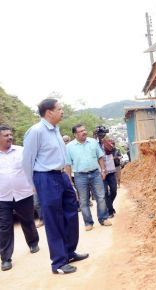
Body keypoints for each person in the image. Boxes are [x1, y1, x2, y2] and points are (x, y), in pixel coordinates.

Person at [22, 98, 88, 275]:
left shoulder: (56, 130)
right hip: (45, 178)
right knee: (54, 220)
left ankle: (69, 252)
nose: (62, 111)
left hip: (61, 176)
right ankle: (58, 263)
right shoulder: (36, 132)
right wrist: (33, 184)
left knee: (71, 214)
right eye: (59, 109)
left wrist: (68, 180)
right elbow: (27, 161)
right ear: (48, 112)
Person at [0, 125, 40, 271]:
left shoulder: (21, 151)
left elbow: (32, 168)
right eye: (6, 135)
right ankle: (6, 258)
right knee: (4, 227)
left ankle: (33, 243)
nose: (10, 137)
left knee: (28, 220)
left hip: (24, 193)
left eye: (11, 135)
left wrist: (34, 184)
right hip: (2, 197)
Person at [65, 124, 112, 231]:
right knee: (83, 201)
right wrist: (69, 179)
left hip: (95, 174)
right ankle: (88, 222)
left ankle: (103, 218)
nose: (84, 132)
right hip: (80, 176)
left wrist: (103, 170)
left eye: (85, 130)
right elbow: (67, 164)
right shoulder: (69, 147)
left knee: (101, 197)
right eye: (81, 131)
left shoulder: (93, 142)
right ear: (75, 134)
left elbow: (100, 157)